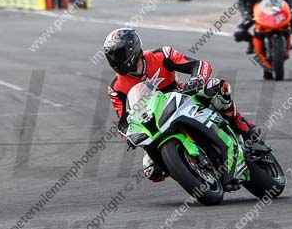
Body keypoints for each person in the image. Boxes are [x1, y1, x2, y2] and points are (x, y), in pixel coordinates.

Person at [104, 28, 259, 184]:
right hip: (155, 122)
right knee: (151, 170)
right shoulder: (116, 87)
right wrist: (129, 136)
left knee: (217, 86)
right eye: (111, 56)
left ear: (132, 48)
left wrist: (197, 79)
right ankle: (191, 170)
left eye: (119, 54)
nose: (115, 59)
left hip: (183, 99)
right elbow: (124, 120)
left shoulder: (161, 54)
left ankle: (239, 122)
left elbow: (199, 65)